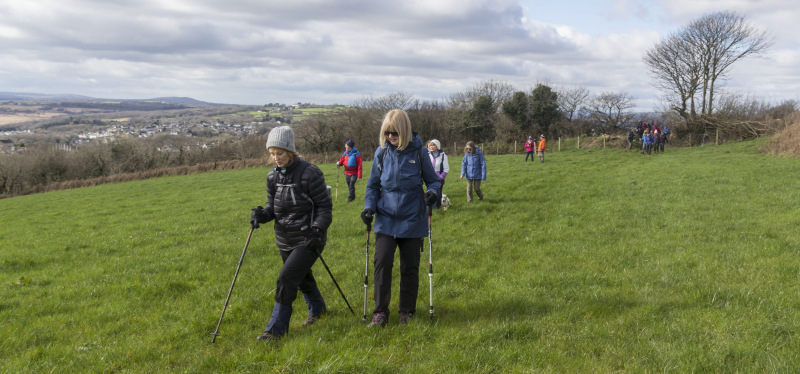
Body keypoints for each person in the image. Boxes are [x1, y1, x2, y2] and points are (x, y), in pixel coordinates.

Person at [249, 126, 333, 341]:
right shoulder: (272, 176)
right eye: (272, 154)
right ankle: (318, 310)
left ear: (291, 151)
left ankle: (275, 330)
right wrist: (261, 215)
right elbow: (273, 208)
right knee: (301, 276)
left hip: (308, 237)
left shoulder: (310, 173)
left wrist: (318, 229)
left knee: (286, 278)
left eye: (280, 153)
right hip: (284, 237)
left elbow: (324, 207)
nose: (275, 158)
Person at [361, 109, 441, 327]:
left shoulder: (419, 153)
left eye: (394, 132)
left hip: (413, 218)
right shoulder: (381, 153)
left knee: (410, 267)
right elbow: (372, 186)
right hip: (386, 219)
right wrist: (369, 207)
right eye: (387, 132)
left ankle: (407, 311)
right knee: (382, 263)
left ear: (404, 130)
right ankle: (380, 313)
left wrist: (433, 193)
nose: (390, 136)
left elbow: (434, 181)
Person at [427, 139, 449, 209]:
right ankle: (431, 208)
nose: (431, 147)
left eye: (433, 145)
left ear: (437, 146)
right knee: (430, 192)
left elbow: (446, 168)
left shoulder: (443, 156)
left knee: (438, 193)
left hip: (439, 179)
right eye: (430, 145)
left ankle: (438, 207)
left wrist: (441, 177)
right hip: (430, 178)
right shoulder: (427, 155)